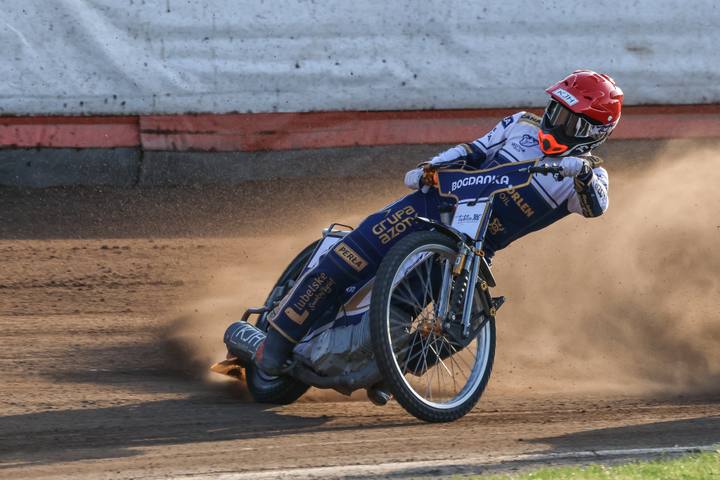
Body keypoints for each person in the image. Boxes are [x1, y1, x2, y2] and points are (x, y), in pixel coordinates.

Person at [256, 69, 623, 375]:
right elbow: (473, 149)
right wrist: (431, 166)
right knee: (354, 254)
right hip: (431, 204)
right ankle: (274, 342)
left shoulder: (588, 175)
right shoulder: (520, 124)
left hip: (471, 249)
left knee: (464, 321)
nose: (555, 121)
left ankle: (390, 373)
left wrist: (581, 173)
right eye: (555, 109)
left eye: (569, 119)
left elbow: (597, 207)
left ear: (594, 132)